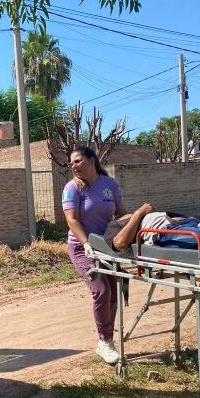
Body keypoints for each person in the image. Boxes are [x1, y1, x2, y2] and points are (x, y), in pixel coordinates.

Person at [62, 146, 127, 365]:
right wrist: (86, 243)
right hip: (82, 248)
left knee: (113, 294)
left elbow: (120, 213)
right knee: (101, 290)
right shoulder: (72, 188)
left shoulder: (110, 184)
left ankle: (107, 339)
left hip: (107, 247)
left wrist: (138, 221)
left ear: (92, 161)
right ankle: (105, 341)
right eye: (71, 163)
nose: (74, 166)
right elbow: (72, 219)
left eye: (78, 161)